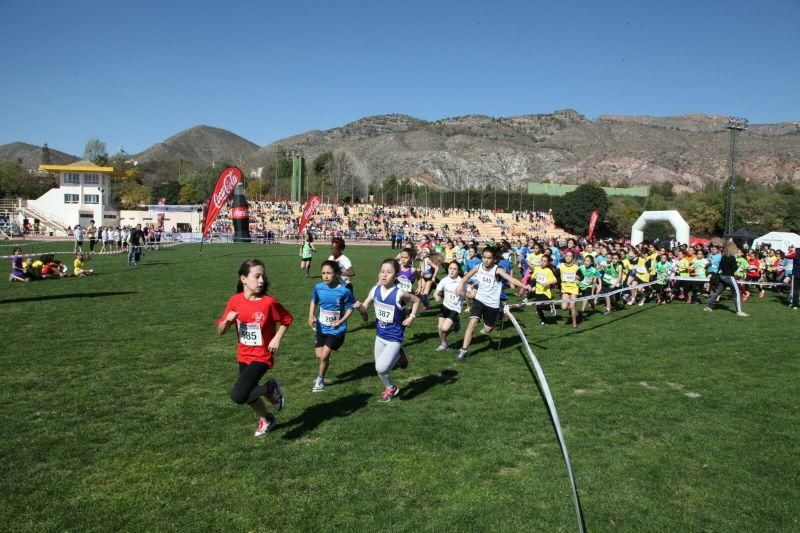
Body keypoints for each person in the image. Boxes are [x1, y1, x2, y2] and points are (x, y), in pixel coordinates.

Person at [216, 259, 292, 437]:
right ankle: (267, 418)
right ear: (243, 279)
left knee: (239, 395)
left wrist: (277, 338)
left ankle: (268, 389)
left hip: (262, 355)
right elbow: (220, 331)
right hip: (243, 355)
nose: (261, 281)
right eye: (256, 276)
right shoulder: (234, 301)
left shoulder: (268, 303)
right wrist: (227, 321)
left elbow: (287, 319)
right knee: (249, 395)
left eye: (262, 277)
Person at [355, 259, 421, 402]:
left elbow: (416, 300)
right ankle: (391, 388)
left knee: (381, 368)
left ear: (396, 275)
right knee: (379, 369)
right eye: (382, 271)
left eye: (389, 272)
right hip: (380, 335)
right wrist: (360, 307)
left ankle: (399, 355)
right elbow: (365, 308)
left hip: (395, 337)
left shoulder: (399, 294)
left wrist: (412, 317)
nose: (384, 275)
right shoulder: (375, 290)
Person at [455, 246, 531, 360]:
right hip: (479, 300)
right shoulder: (478, 267)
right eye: (484, 257)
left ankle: (492, 321)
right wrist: (461, 284)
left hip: (492, 304)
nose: (486, 260)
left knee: (488, 329)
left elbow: (511, 279)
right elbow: (465, 277)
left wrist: (524, 286)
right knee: (472, 324)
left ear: (494, 259)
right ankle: (463, 350)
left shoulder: (497, 270)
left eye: (489, 258)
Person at [308, 260, 355, 392]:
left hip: (336, 329)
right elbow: (314, 301)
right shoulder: (318, 287)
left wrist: (341, 321)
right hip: (321, 327)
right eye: (323, 273)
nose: (325, 276)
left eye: (329, 273)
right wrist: (311, 315)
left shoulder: (344, 291)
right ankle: (321, 375)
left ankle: (320, 380)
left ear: (337, 274)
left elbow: (350, 307)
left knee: (324, 356)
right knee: (319, 355)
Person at [704, 241, 748, 316]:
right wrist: (739, 267)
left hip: (722, 277)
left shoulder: (723, 257)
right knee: (737, 294)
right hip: (729, 277)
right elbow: (734, 269)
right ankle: (739, 311)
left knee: (717, 292)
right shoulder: (732, 258)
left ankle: (708, 306)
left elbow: (720, 267)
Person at [433, 261, 464, 350]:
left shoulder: (461, 282)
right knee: (440, 327)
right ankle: (443, 344)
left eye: (454, 269)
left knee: (445, 328)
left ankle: (455, 322)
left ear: (458, 271)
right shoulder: (444, 280)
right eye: (450, 268)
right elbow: (436, 292)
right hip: (445, 306)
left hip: (455, 308)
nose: (452, 271)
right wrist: (436, 297)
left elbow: (469, 293)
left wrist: (469, 293)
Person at [529, 254, 557, 325]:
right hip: (538, 291)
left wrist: (547, 283)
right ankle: (543, 321)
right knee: (538, 308)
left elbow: (555, 280)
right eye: (541, 260)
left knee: (543, 305)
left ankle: (551, 306)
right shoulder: (537, 269)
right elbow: (533, 278)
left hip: (545, 292)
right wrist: (531, 281)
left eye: (544, 261)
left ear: (547, 263)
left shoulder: (548, 271)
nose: (542, 262)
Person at [557, 250, 580, 328]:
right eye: (567, 256)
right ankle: (571, 307)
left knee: (572, 306)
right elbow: (555, 275)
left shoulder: (576, 267)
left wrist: (578, 277)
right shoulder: (561, 267)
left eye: (570, 256)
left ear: (573, 258)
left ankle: (574, 323)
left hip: (574, 289)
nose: (568, 257)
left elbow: (582, 277)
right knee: (563, 307)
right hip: (565, 289)